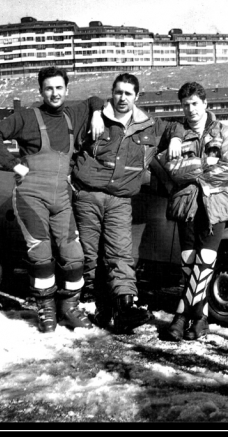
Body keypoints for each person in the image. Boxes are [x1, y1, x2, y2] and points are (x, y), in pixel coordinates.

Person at [0, 66, 104, 333]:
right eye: (49, 88)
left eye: (59, 87)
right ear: (41, 91)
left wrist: (96, 114)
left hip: (61, 197)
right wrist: (12, 164)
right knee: (42, 257)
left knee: (74, 257)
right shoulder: (26, 118)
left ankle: (69, 308)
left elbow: (96, 99)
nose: (54, 93)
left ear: (67, 90)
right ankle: (46, 310)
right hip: (30, 197)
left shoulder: (73, 114)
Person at [70, 73, 183, 334]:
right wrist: (98, 111)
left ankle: (125, 309)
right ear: (112, 93)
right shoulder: (95, 115)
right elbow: (85, 106)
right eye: (118, 92)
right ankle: (99, 308)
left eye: (128, 94)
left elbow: (175, 127)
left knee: (120, 255)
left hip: (121, 201)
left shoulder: (148, 126)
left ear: (137, 97)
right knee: (90, 256)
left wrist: (175, 139)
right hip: (88, 196)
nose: (122, 98)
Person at [159, 81, 228, 341]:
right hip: (187, 206)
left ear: (205, 104)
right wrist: (204, 164)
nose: (191, 109)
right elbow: (173, 170)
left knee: (204, 265)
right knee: (189, 266)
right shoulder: (177, 134)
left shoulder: (225, 131)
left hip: (215, 207)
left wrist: (193, 168)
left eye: (195, 103)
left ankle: (181, 316)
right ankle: (200, 319)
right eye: (186, 105)